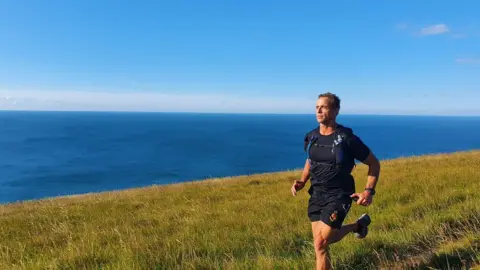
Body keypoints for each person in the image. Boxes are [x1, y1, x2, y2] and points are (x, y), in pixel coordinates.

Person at [291, 92, 381, 270]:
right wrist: (302, 180)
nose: (318, 110)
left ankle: (357, 226)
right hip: (316, 194)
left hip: (340, 194)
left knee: (320, 243)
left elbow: (374, 164)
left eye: (323, 107)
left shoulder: (347, 139)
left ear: (335, 110)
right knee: (322, 247)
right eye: (317, 107)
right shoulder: (312, 137)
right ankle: (358, 226)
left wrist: (368, 191)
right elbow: (311, 160)